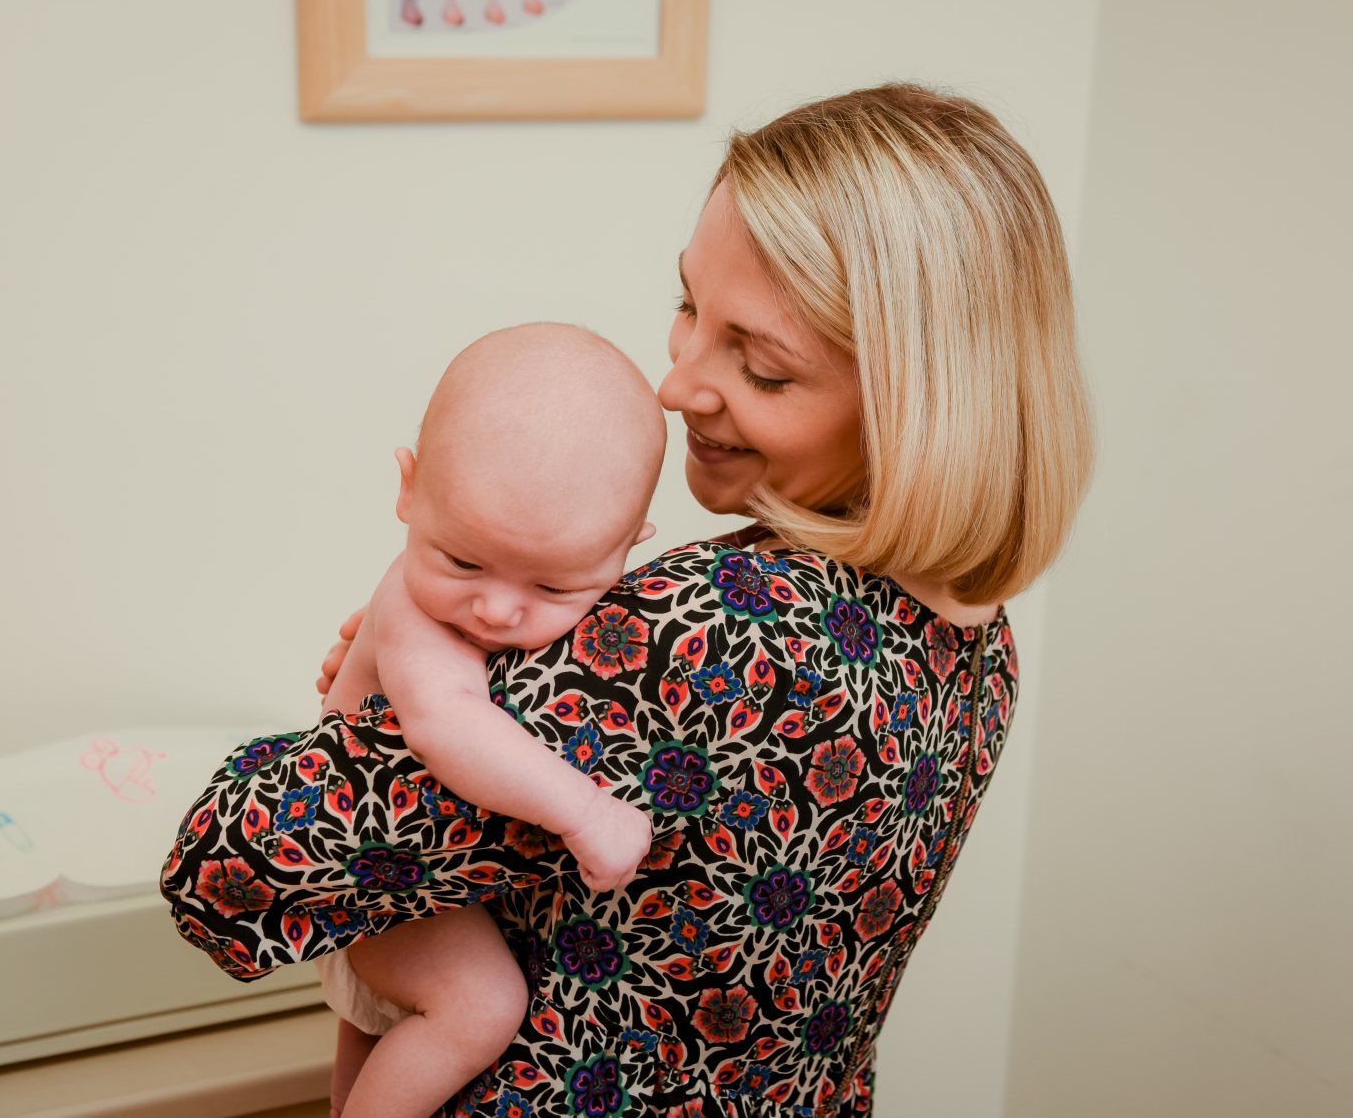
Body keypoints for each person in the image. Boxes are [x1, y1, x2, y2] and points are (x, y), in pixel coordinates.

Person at [160, 81, 1097, 1118]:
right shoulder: (975, 639)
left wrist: (395, 682)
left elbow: (235, 856)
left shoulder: (719, 628)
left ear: (921, 405)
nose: (678, 382)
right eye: (692, 305)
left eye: (764, 366)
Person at [311, 323, 665, 1116]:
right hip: (372, 863)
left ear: (625, 552)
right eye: (462, 561)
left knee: (377, 1038)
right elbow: (448, 725)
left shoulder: (544, 586)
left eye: (553, 585)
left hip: (417, 874)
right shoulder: (412, 606)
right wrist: (585, 810)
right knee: (478, 1005)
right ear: (409, 491)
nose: (498, 608)